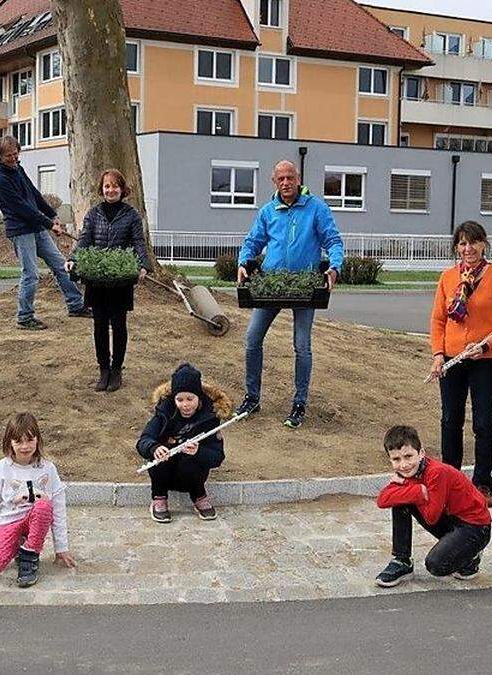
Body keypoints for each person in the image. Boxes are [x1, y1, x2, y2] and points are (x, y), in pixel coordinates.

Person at [234, 160, 343, 429]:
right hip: (272, 284)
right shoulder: (269, 211)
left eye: (290, 178)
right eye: (280, 179)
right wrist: (243, 261)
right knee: (252, 338)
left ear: (298, 179)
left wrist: (334, 267)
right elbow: (253, 241)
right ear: (274, 181)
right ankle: (252, 397)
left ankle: (299, 402)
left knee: (302, 345)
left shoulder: (316, 208)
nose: (286, 183)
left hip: (305, 285)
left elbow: (333, 240)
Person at [428, 221, 492, 505]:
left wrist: (486, 345)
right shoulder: (447, 278)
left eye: (473, 242)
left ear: (484, 244)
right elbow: (438, 319)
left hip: (485, 362)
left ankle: (481, 482)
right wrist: (437, 354)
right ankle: (451, 480)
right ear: (457, 246)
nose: (468, 249)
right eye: (463, 243)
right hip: (453, 362)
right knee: (450, 421)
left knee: (483, 424)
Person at [0, 135, 89, 330]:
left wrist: (52, 215)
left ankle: (76, 305)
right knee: (31, 274)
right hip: (20, 230)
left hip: (36, 227)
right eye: (8, 156)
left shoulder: (18, 169)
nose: (13, 158)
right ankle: (24, 317)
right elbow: (22, 208)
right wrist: (49, 225)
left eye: (16, 154)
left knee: (61, 265)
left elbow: (34, 194)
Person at [374, 425, 492, 588]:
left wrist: (411, 489)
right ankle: (402, 561)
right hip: (452, 519)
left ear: (421, 453)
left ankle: (471, 555)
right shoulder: (409, 473)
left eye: (408, 456)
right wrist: (417, 490)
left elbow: (431, 517)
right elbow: (382, 500)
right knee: (400, 501)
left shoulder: (436, 472)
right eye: (396, 459)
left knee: (436, 565)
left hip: (475, 527)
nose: (404, 465)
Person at [65, 169, 150, 392]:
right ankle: (103, 369)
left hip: (120, 280)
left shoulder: (131, 215)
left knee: (119, 325)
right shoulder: (93, 214)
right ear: (101, 190)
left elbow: (138, 242)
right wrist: (73, 258)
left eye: (115, 186)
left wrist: (143, 265)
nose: (111, 190)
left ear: (122, 189)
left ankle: (116, 369)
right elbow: (84, 240)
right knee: (99, 325)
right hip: (97, 280)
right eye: (107, 186)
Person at [0, 413, 76, 587]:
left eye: (29, 440)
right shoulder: (1, 468)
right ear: (9, 442)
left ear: (37, 440)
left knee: (43, 505)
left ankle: (29, 554)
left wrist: (61, 547)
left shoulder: (48, 468)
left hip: (36, 520)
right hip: (9, 521)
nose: (25, 446)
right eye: (18, 441)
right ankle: (18, 544)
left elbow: (58, 508)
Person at [136, 363, 230, 523]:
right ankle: (159, 497)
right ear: (173, 399)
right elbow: (143, 441)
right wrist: (154, 448)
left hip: (192, 475)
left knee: (191, 460)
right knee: (160, 458)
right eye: (179, 399)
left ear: (199, 397)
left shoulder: (210, 418)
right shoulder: (164, 413)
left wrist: (198, 452)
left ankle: (198, 495)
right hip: (165, 472)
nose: (185, 404)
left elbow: (217, 457)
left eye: (190, 399)